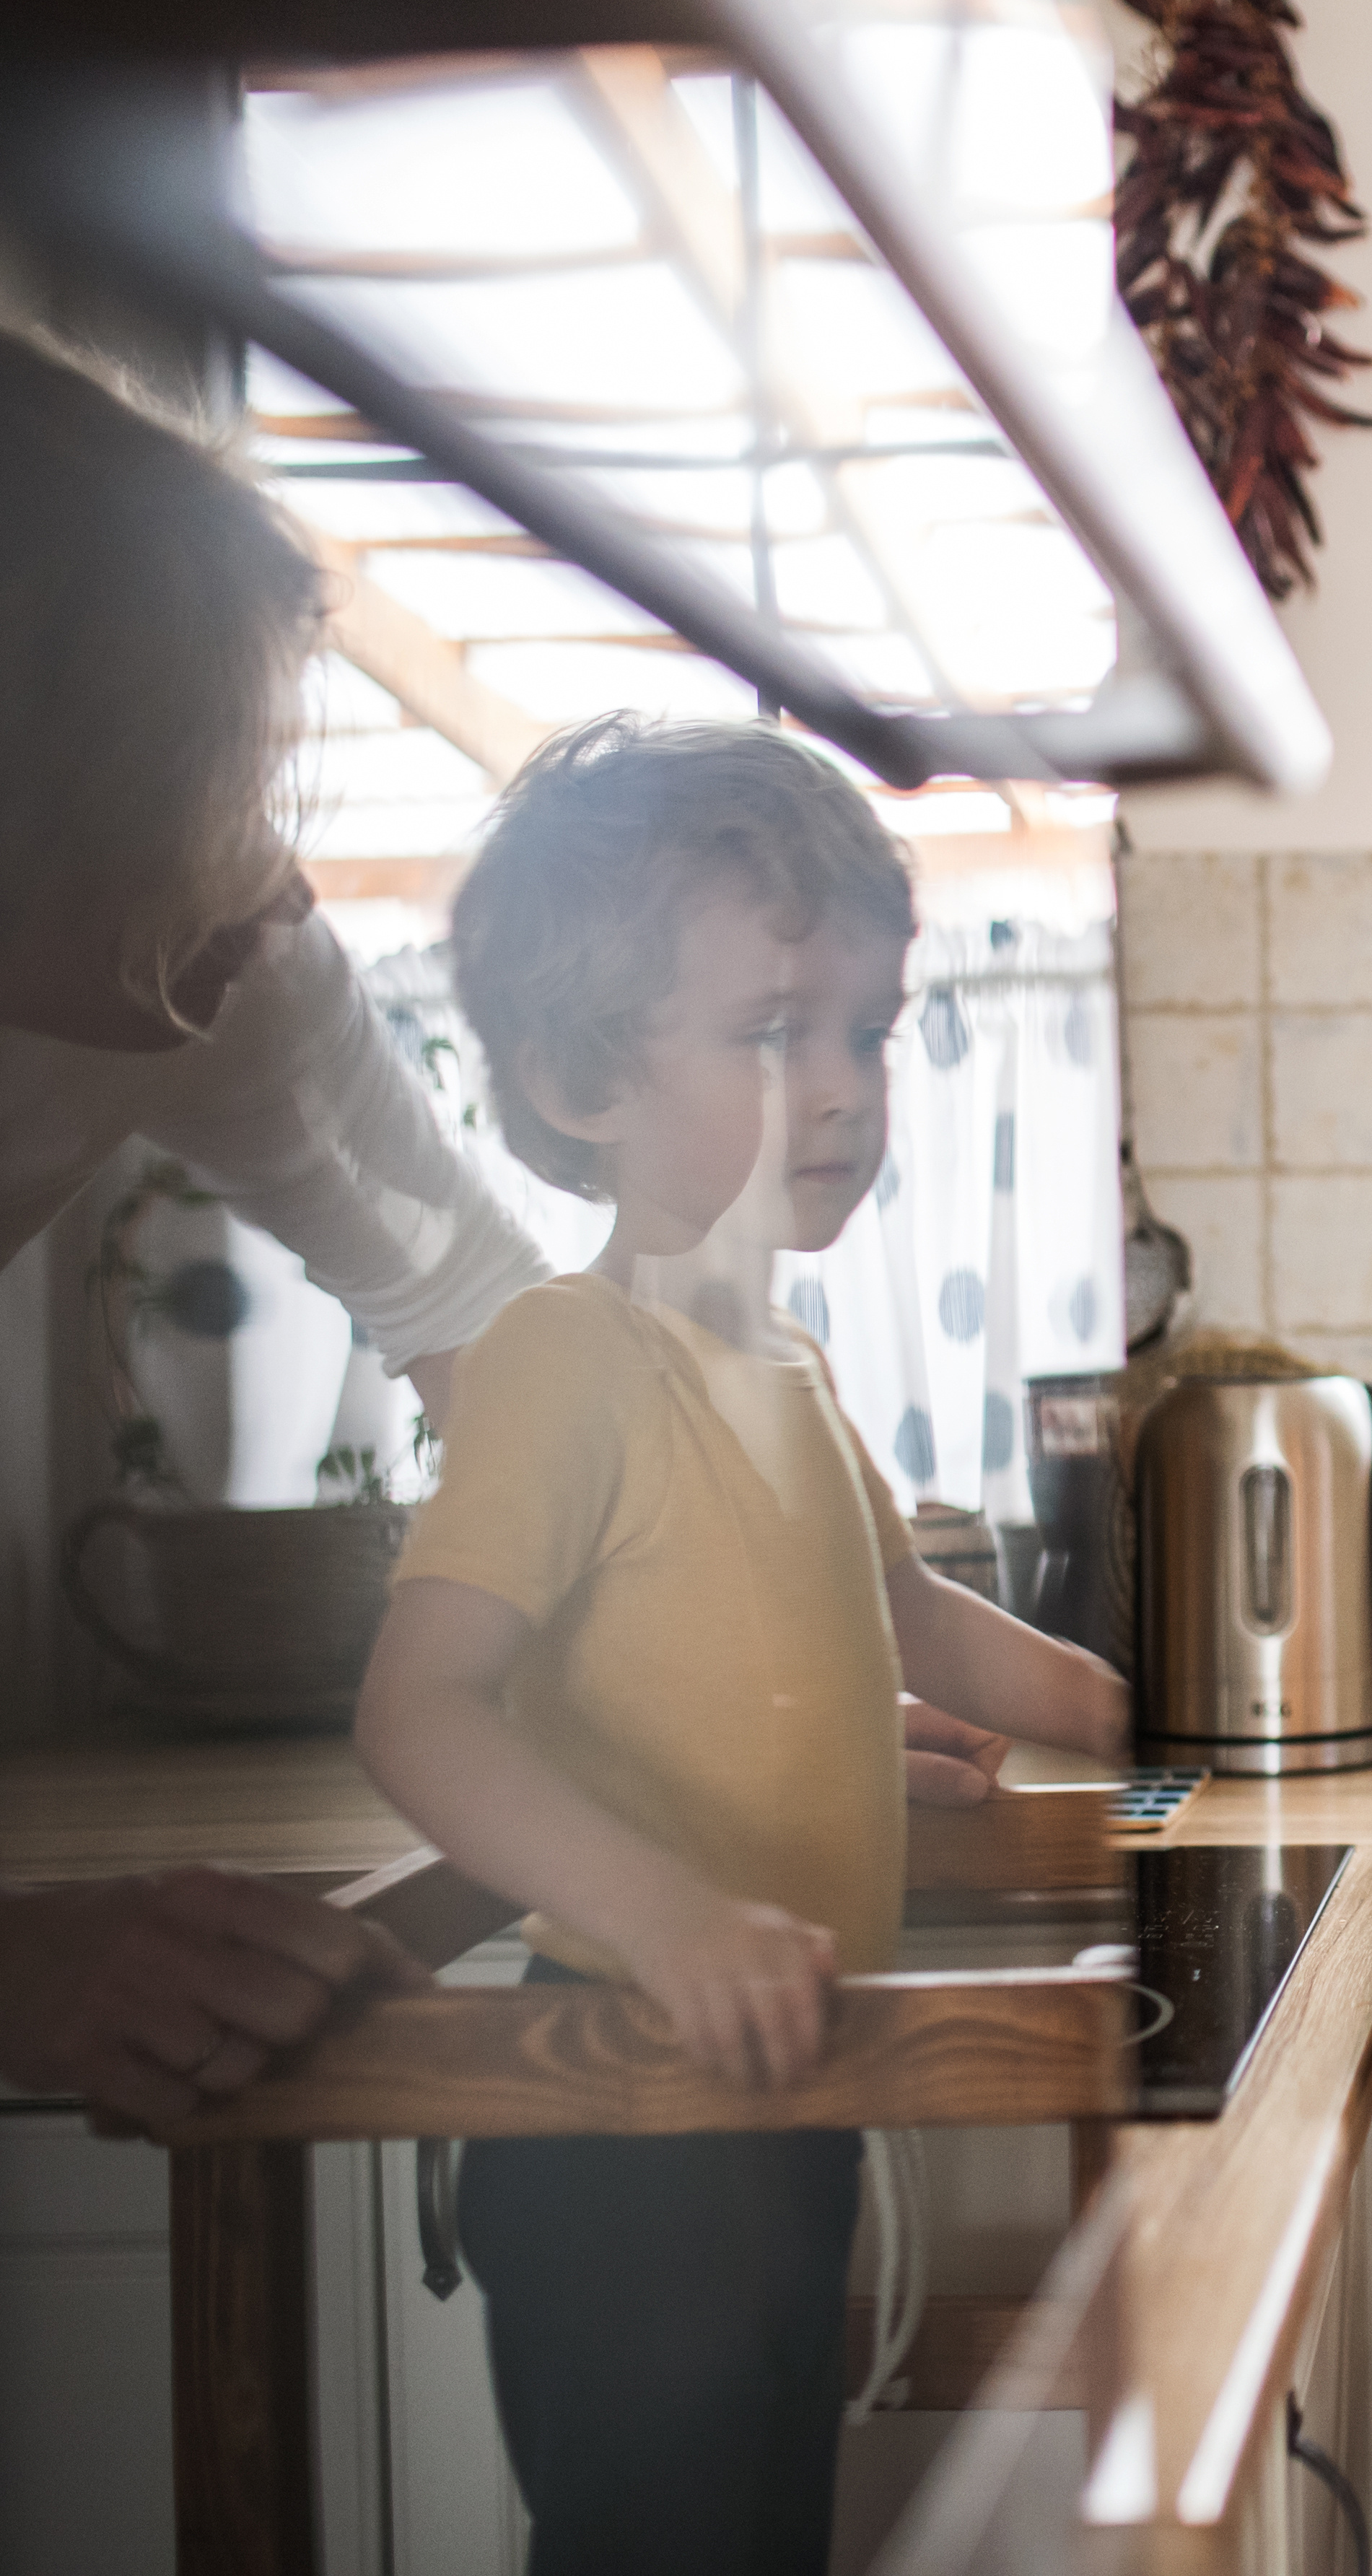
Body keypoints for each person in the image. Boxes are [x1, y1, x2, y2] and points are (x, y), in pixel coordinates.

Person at [351, 717, 1127, 2576]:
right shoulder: (566, 1357)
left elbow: (918, 1623)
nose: (848, 1089)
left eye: (869, 1029)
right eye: (774, 1033)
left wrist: (1192, 1724)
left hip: (782, 2085)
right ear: (573, 1074)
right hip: (620, 2100)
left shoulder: (787, 1363)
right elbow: (419, 1713)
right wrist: (669, 1920)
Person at [0, 326, 549, 2126]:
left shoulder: (230, 967)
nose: (281, 879)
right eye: (208, 785)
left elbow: (510, 1347)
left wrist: (771, 1646)